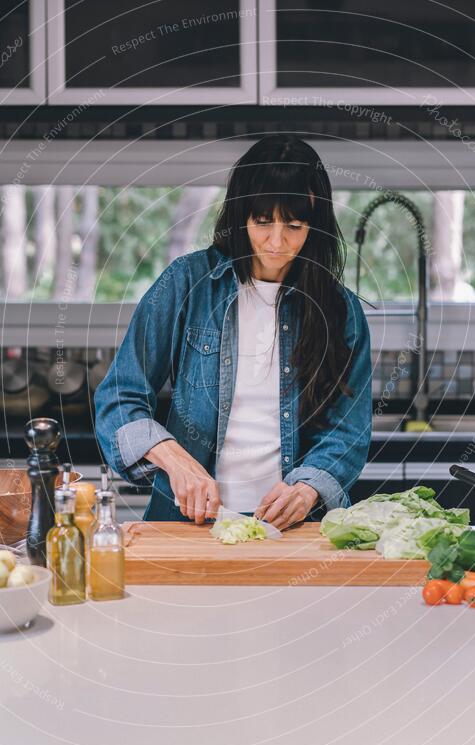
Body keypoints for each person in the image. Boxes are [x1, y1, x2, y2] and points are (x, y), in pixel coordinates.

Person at [95, 134, 372, 529]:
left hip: (295, 529)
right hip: (186, 523)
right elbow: (118, 398)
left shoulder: (342, 311)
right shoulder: (187, 283)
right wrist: (172, 457)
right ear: (241, 215)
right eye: (263, 223)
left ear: (317, 225)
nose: (277, 242)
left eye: (295, 225)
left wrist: (307, 489)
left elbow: (348, 431)